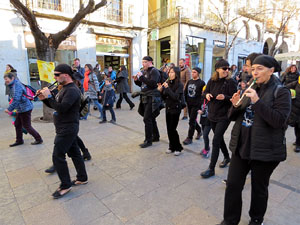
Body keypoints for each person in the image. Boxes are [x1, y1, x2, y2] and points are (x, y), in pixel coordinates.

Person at [218, 55, 291, 225]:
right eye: (253, 68)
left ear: (271, 71)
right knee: (233, 186)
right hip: (242, 145)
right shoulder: (249, 87)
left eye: (259, 69)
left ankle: (256, 220)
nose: (254, 72)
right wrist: (235, 105)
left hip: (264, 150)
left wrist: (257, 101)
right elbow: (233, 117)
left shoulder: (281, 92)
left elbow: (279, 121)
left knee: (259, 189)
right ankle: (230, 221)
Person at [37, 64, 88, 199]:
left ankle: (65, 185)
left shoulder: (72, 90)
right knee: (75, 153)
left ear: (66, 75)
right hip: (64, 126)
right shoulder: (64, 88)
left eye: (57, 74)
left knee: (58, 156)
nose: (55, 77)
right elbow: (56, 105)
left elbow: (62, 108)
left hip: (67, 128)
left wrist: (50, 97)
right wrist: (46, 99)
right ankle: (82, 177)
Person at [200, 59, 237, 178]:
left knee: (216, 140)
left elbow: (235, 97)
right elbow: (204, 92)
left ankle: (211, 169)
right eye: (224, 68)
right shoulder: (212, 80)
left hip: (224, 116)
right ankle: (227, 157)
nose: (227, 70)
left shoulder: (230, 82)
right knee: (219, 138)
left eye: (228, 68)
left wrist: (225, 97)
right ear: (217, 69)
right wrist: (206, 95)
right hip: (212, 114)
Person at [4, 72, 43, 147]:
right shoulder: (13, 84)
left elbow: (16, 99)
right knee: (17, 124)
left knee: (27, 126)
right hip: (21, 108)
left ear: (12, 78)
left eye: (7, 79)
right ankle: (19, 140)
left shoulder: (17, 85)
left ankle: (38, 138)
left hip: (25, 108)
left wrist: (9, 109)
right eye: (5, 79)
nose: (6, 81)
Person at [134, 56, 161, 148]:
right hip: (145, 96)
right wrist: (136, 80)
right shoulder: (144, 71)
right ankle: (156, 136)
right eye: (142, 62)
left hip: (152, 97)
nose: (143, 64)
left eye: (145, 62)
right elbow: (143, 84)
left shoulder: (154, 71)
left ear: (150, 62)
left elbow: (153, 84)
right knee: (151, 118)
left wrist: (141, 77)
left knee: (147, 118)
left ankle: (148, 140)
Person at [158, 66, 184, 156]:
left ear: (176, 74)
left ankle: (178, 147)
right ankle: (171, 146)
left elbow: (175, 97)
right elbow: (165, 97)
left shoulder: (180, 84)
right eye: (169, 72)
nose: (170, 74)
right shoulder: (167, 82)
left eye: (172, 72)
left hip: (175, 109)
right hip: (168, 108)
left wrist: (167, 88)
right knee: (169, 129)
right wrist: (161, 90)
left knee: (173, 129)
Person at [182, 67, 205, 145]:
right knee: (193, 120)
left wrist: (200, 106)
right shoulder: (189, 81)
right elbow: (185, 92)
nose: (192, 73)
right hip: (189, 104)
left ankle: (189, 138)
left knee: (191, 121)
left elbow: (203, 96)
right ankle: (199, 130)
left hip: (196, 105)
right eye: (192, 72)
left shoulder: (201, 83)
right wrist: (184, 101)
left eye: (194, 72)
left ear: (198, 73)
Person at [285, 66, 300, 152]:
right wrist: (290, 92)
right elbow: (285, 87)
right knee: (296, 126)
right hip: (295, 109)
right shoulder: (296, 83)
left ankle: (298, 144)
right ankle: (297, 140)